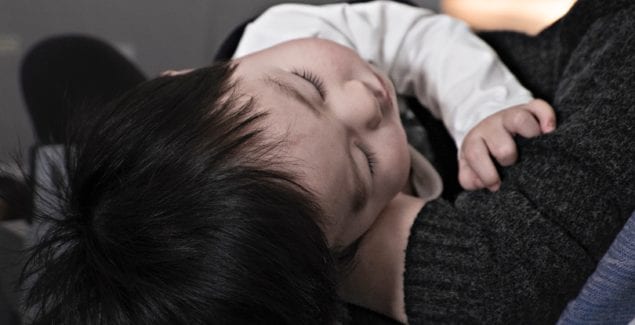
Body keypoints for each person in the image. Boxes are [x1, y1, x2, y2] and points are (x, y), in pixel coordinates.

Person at [13, 0, 635, 324]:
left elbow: (422, 39)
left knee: (58, 66)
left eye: (309, 86)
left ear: (195, 74)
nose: (366, 103)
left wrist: (483, 110)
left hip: (474, 83)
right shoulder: (323, 225)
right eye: (365, 165)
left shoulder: (291, 29)